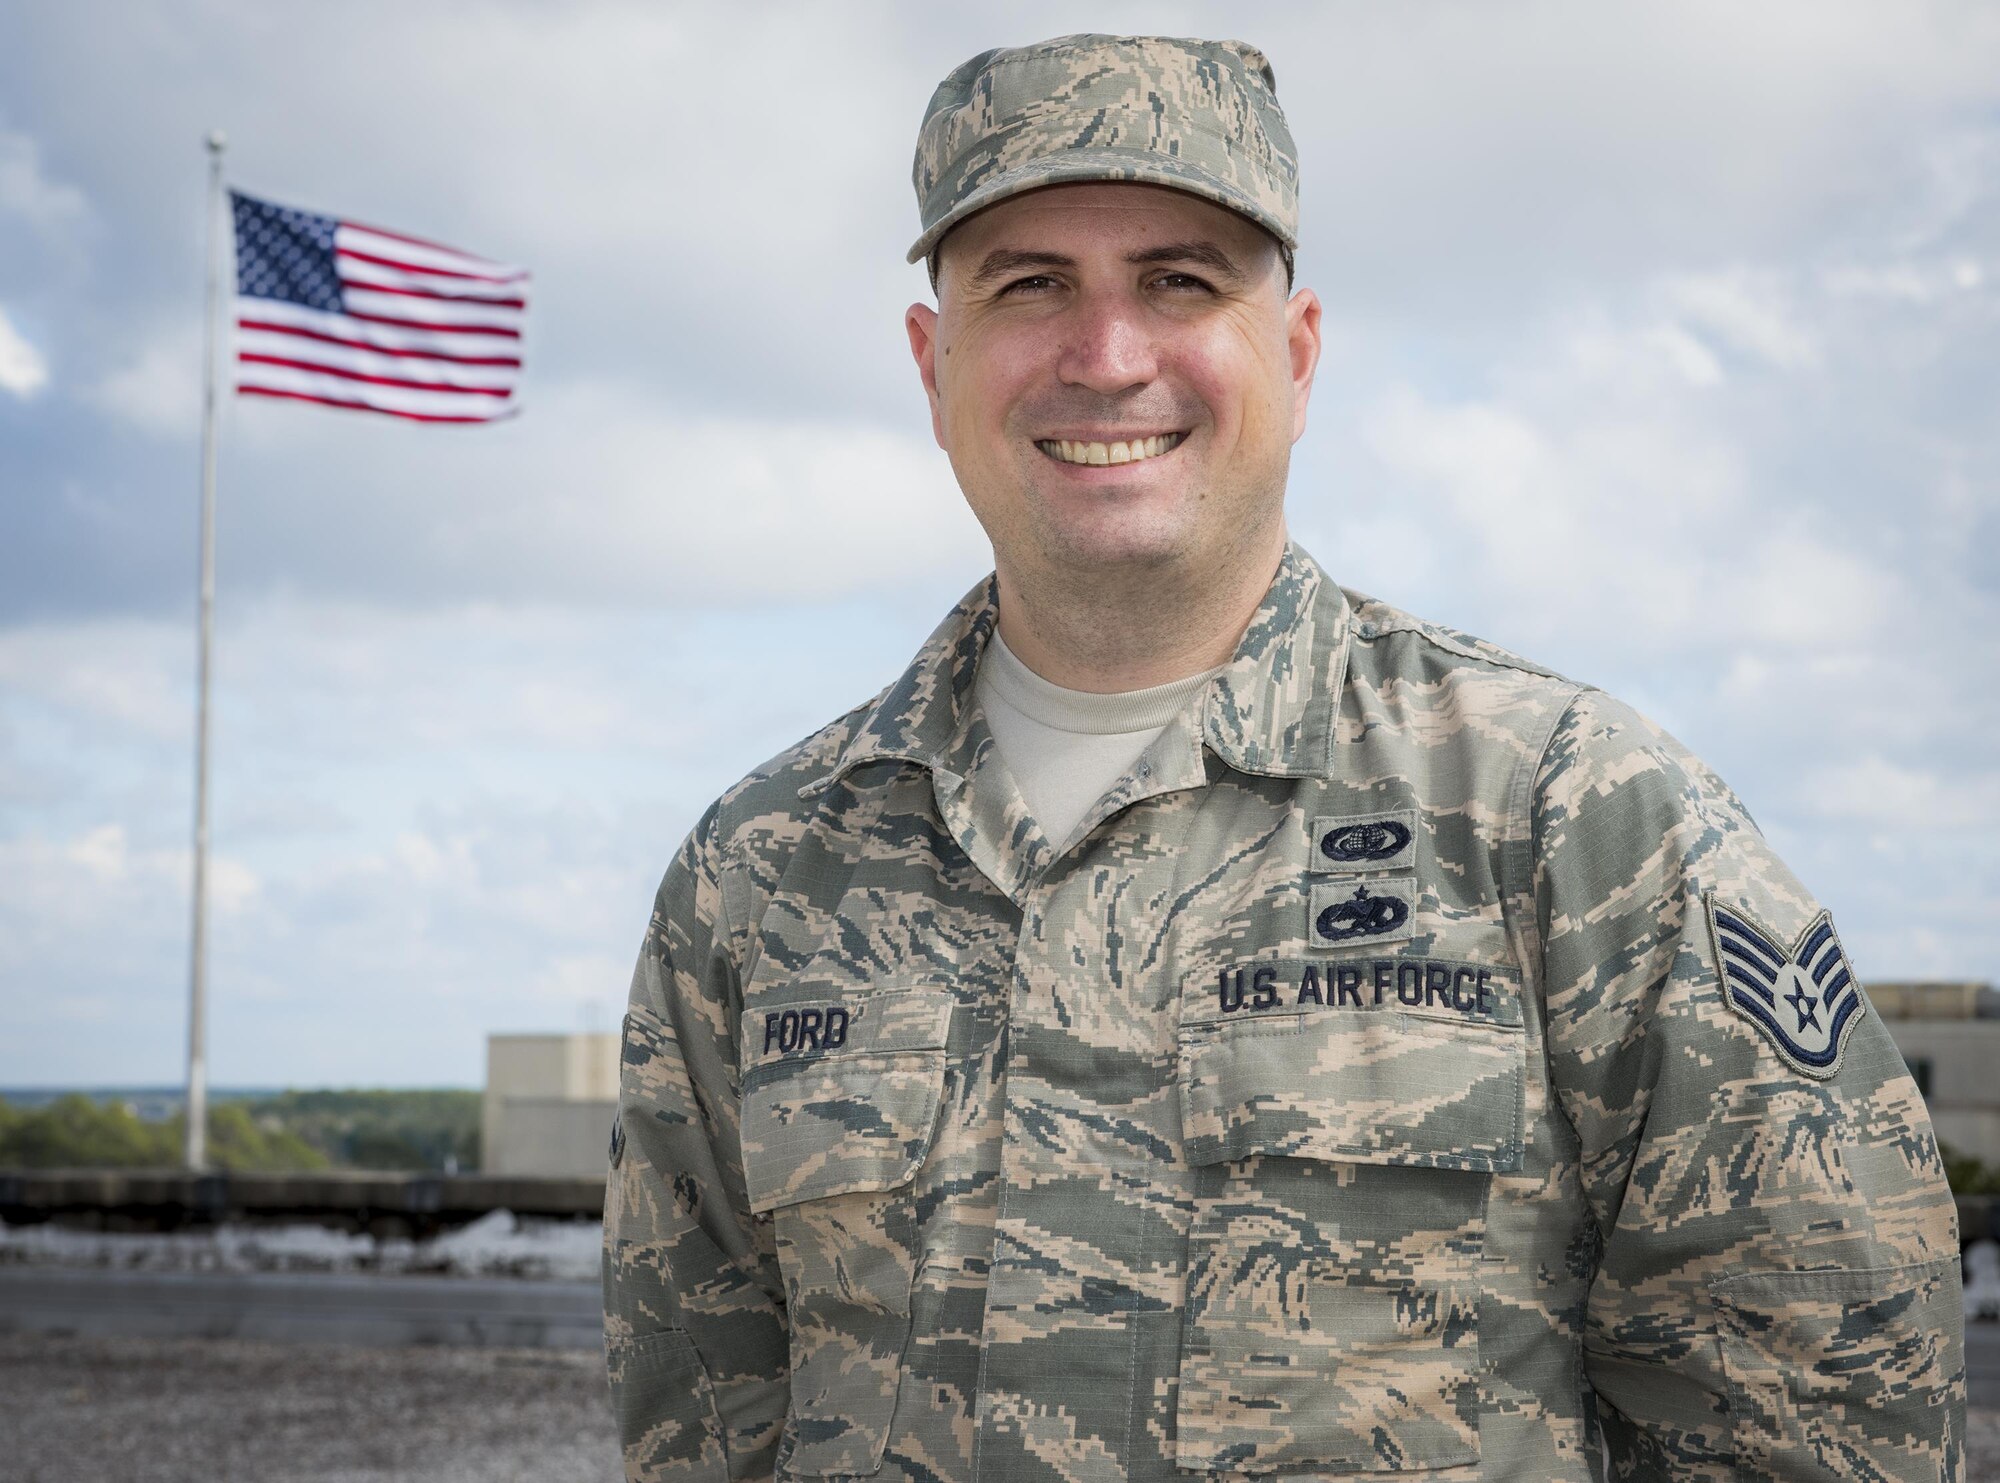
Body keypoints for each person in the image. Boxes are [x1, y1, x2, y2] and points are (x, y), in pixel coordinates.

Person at [604, 33, 1966, 1483]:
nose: (1108, 355)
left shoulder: (1572, 819)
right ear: (934, 365)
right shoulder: (760, 876)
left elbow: (1832, 1419)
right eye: (1029, 284)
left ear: (1298, 355)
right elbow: (703, 1424)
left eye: (1180, 282)